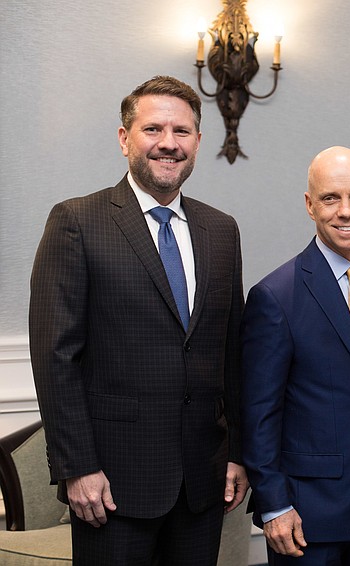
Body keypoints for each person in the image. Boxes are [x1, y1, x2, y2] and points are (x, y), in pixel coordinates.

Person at [29, 75, 248, 565]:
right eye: (153, 129)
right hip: (111, 486)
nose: (168, 143)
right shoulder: (77, 222)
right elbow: (54, 356)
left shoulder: (220, 230)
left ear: (197, 142)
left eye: (182, 131)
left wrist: (236, 451)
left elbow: (231, 350)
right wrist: (76, 466)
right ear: (125, 138)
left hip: (202, 482)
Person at [241, 146, 350, 566]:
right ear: (309, 205)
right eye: (331, 198)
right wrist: (273, 505)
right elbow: (259, 412)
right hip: (305, 515)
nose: (346, 211)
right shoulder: (275, 296)